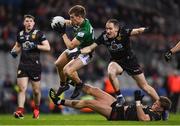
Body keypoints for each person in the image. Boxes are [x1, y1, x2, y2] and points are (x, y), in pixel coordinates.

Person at [70, 19, 159, 106]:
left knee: (144, 86)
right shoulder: (104, 36)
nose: (107, 31)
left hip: (130, 61)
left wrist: (149, 29)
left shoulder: (123, 32)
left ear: (116, 29)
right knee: (111, 71)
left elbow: (138, 31)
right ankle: (119, 96)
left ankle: (161, 104)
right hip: (117, 61)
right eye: (106, 28)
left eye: (110, 29)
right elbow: (90, 48)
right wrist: (79, 52)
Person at [49, 84, 171, 121]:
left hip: (117, 115)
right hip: (120, 107)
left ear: (161, 109)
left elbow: (143, 119)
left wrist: (138, 102)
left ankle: (59, 101)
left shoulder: (155, 116)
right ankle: (73, 81)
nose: (155, 103)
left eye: (157, 104)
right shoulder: (153, 109)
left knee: (89, 103)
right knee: (95, 90)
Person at [10, 14, 50, 119]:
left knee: (36, 91)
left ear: (34, 23)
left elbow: (47, 47)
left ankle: (36, 109)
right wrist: (14, 52)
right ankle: (20, 111)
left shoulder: (39, 34)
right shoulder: (20, 34)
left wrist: (35, 45)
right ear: (24, 23)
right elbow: (17, 46)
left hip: (35, 65)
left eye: (30, 21)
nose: (29, 23)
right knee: (21, 89)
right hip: (23, 64)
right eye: (27, 21)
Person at [51, 5, 95, 99]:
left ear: (79, 17)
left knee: (67, 71)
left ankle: (79, 84)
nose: (71, 19)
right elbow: (69, 22)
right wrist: (58, 22)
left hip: (86, 53)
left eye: (72, 17)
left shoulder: (85, 30)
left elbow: (70, 46)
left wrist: (62, 33)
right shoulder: (79, 21)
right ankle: (63, 85)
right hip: (78, 49)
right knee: (58, 64)